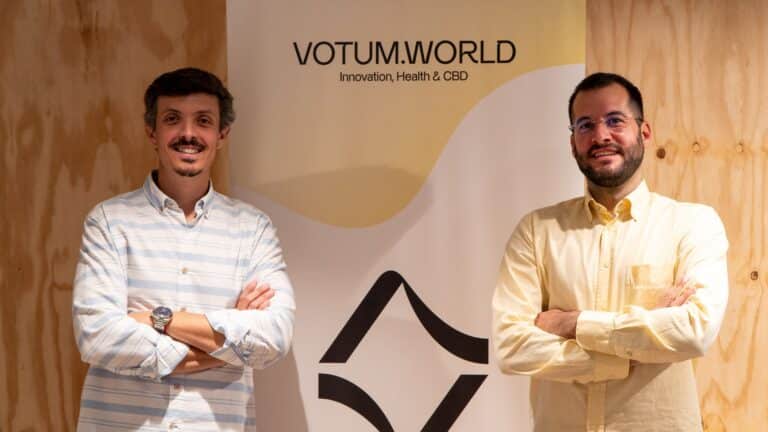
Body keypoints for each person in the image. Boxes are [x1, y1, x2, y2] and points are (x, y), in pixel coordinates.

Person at [492, 72, 729, 431]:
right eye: (585, 125)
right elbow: (511, 346)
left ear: (644, 132)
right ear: (572, 142)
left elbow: (695, 330)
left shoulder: (693, 224)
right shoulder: (537, 231)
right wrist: (630, 353)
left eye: (615, 120)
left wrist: (572, 324)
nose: (600, 136)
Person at [72, 67, 295, 431]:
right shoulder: (109, 222)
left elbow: (273, 337)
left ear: (222, 134)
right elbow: (97, 336)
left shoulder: (253, 230)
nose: (188, 133)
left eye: (203, 121)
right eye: (173, 119)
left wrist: (158, 319)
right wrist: (227, 347)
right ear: (152, 132)